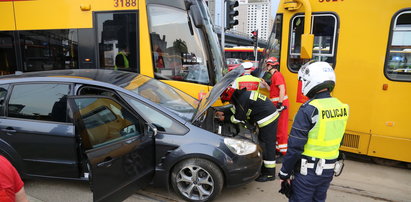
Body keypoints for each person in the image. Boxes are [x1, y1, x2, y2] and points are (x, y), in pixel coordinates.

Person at [278, 61, 349, 201]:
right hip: (328, 171)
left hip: (307, 172)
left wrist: (284, 172)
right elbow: (339, 138)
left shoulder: (309, 109)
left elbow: (295, 146)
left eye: (303, 81)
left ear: (311, 81)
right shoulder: (341, 106)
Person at [216, 87, 279, 182]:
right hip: (267, 114)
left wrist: (224, 119)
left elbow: (238, 118)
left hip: (268, 118)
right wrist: (224, 112)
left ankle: (270, 173)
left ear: (232, 97)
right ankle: (266, 168)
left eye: (229, 101)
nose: (230, 103)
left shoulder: (241, 100)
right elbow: (235, 110)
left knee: (267, 145)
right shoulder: (242, 96)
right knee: (264, 143)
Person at [262, 57, 289, 156]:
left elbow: (282, 89)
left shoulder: (277, 75)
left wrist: (280, 103)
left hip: (281, 106)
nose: (266, 67)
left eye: (267, 65)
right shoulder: (274, 76)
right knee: (278, 129)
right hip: (278, 106)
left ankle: (283, 153)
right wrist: (265, 84)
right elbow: (273, 91)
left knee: (281, 129)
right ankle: (278, 150)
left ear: (270, 65)